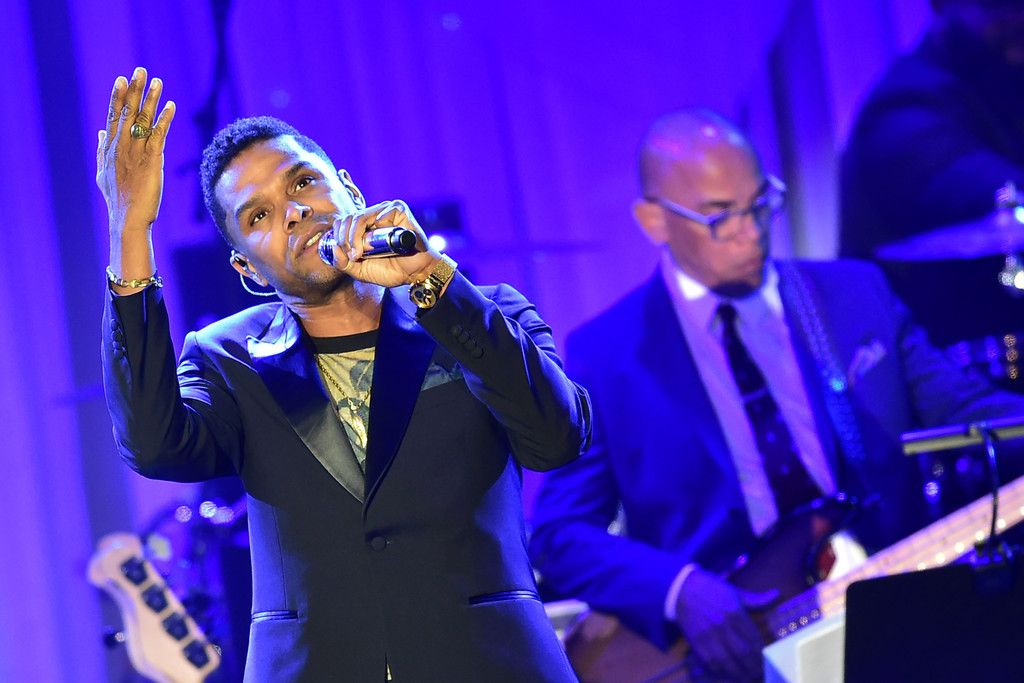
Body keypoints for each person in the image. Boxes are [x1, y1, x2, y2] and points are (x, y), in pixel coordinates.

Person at [97, 67, 591, 682]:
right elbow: (153, 445)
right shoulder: (226, 359)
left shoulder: (479, 311)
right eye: (259, 216)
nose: (294, 212)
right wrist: (130, 229)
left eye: (303, 182)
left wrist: (429, 280)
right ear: (247, 270)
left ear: (349, 188)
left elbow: (557, 438)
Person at [528, 109, 1024, 682]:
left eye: (761, 203)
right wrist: (681, 590)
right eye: (720, 216)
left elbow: (967, 410)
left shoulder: (853, 294)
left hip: (889, 615)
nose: (751, 231)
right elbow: (560, 534)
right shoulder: (607, 352)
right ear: (654, 221)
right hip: (727, 651)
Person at [840, 0, 1024, 361]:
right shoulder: (904, 104)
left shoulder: (1001, 88)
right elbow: (986, 189)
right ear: (944, 7)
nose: (1017, 18)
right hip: (936, 363)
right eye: (998, 7)